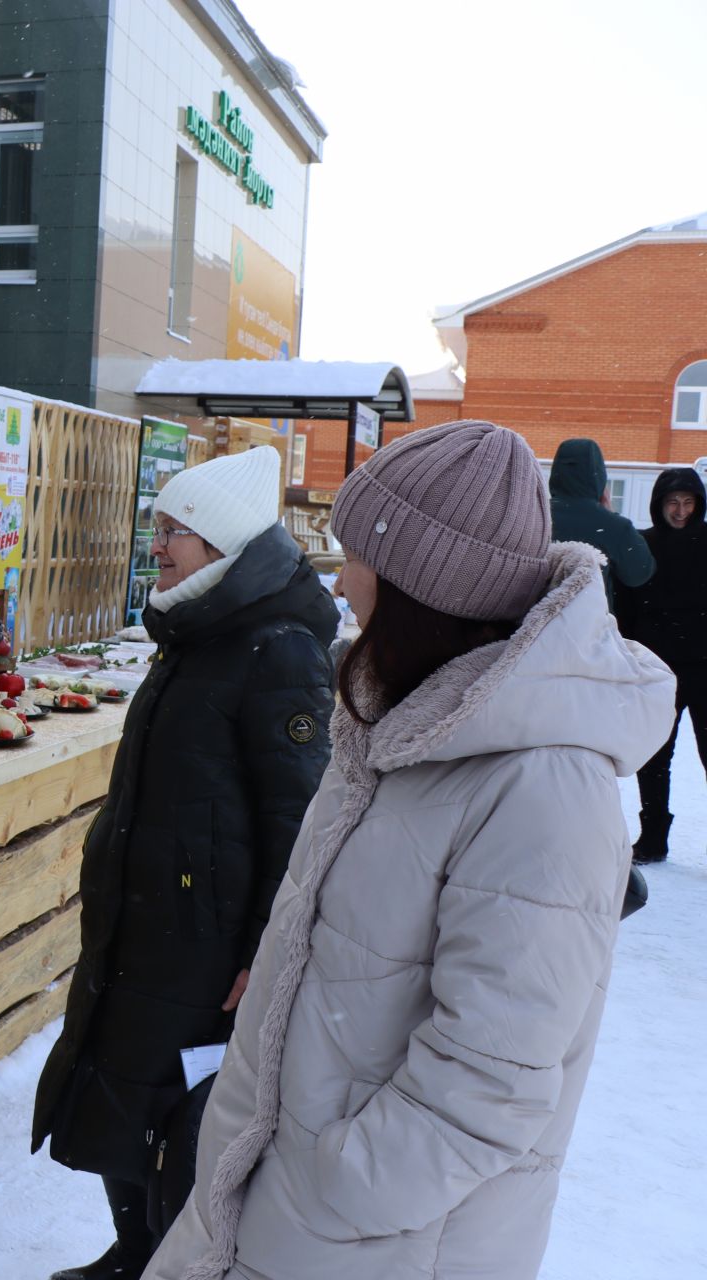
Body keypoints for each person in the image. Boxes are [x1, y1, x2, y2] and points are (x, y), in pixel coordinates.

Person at [143, 421, 674, 1280]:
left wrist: (334, 1183)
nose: (340, 576)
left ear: (423, 586)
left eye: (357, 554)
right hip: (297, 1211)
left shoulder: (541, 786)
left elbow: (491, 1081)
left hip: (372, 1242)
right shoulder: (401, 721)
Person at [31, 445, 337, 1280]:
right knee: (122, 1093)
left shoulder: (277, 648)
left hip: (208, 943)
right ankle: (137, 1254)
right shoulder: (194, 627)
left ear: (221, 543)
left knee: (181, 1117)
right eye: (158, 527)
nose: (157, 545)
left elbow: (298, 818)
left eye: (174, 531)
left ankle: (179, 1264)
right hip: (150, 923)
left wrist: (261, 953)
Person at [619, 466, 707, 863]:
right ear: (659, 504)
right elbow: (625, 606)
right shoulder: (643, 544)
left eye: (688, 502)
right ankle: (653, 837)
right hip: (657, 669)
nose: (681, 510)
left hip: (705, 668)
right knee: (654, 757)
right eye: (673, 502)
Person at [548, 437, 653, 610]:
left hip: (533, 626)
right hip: (589, 627)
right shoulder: (612, 525)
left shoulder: (536, 516)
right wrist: (610, 515)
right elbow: (639, 574)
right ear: (598, 475)